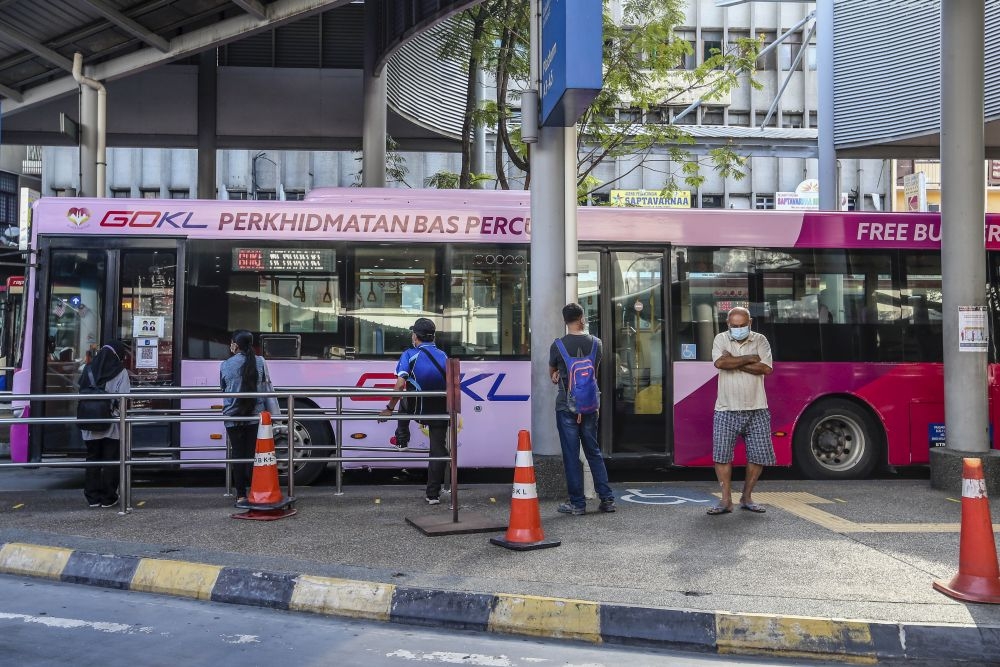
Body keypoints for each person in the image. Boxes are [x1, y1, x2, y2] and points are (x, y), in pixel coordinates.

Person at [549, 303, 615, 515]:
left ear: (565, 321)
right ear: (582, 318)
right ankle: (607, 499)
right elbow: (593, 373)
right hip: (589, 405)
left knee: (571, 455)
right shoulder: (597, 344)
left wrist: (557, 374)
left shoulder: (557, 345)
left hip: (566, 406)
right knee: (593, 451)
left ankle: (577, 504)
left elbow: (552, 373)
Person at [708, 306, 775, 515]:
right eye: (734, 326)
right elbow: (720, 362)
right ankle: (726, 501)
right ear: (728, 324)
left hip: (757, 408)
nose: (738, 329)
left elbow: (766, 369)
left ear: (750, 323)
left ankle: (746, 497)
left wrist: (733, 361)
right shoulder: (720, 339)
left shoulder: (761, 340)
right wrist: (749, 358)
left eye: (742, 325)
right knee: (721, 456)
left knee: (758, 456)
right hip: (726, 408)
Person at [379, 317, 450, 505]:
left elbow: (400, 385)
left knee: (403, 401)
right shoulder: (444, 356)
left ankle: (402, 439)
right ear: (432, 337)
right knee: (438, 450)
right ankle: (433, 495)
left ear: (415, 336)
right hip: (441, 410)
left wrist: (388, 409)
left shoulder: (409, 354)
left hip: (418, 409)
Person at [79, 340, 131, 508]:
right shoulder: (120, 371)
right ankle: (109, 497)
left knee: (93, 458)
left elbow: (80, 390)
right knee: (111, 460)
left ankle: (92, 498)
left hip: (90, 422)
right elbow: (124, 397)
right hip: (111, 423)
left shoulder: (87, 369)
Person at [220, 329, 268, 507]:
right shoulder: (260, 362)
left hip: (233, 416)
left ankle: (241, 494)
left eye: (232, 342)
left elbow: (223, 387)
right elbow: (264, 385)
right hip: (255, 415)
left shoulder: (226, 364)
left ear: (236, 345)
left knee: (238, 454)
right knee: (253, 454)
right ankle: (256, 491)